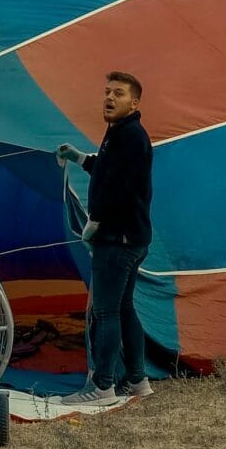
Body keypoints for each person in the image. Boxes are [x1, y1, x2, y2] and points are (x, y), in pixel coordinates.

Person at [58, 70, 155, 406]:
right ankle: (138, 380)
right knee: (124, 307)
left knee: (106, 311)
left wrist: (95, 221)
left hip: (119, 240)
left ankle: (102, 387)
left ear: (135, 102)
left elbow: (120, 188)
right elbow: (108, 170)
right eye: (108, 92)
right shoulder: (121, 132)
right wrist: (81, 158)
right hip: (132, 238)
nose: (110, 98)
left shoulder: (131, 137)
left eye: (120, 94)